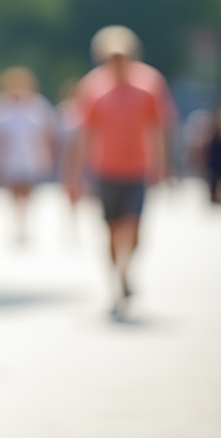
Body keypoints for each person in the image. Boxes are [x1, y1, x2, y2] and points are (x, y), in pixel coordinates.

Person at [67, 25, 175, 319]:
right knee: (112, 230)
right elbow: (85, 133)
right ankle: (118, 280)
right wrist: (76, 175)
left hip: (138, 168)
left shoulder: (150, 83)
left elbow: (160, 128)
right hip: (105, 169)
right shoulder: (93, 87)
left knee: (135, 228)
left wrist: (165, 167)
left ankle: (127, 270)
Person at [0, 66, 57, 245]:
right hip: (9, 160)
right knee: (12, 194)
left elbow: (46, 135)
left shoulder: (38, 105)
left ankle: (24, 226)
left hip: (31, 159)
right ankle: (15, 226)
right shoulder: (0, 105)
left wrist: (48, 159)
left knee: (27, 194)